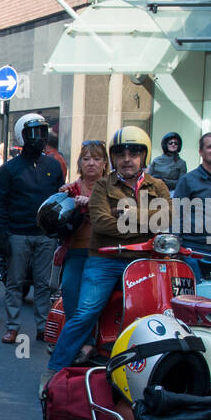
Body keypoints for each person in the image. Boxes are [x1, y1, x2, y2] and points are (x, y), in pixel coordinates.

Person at [43, 127, 171, 383]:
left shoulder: (158, 186)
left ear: (143, 156)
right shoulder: (103, 185)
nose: (127, 158)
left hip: (143, 260)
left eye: (134, 152)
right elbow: (101, 223)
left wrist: (124, 216)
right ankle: (54, 370)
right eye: (121, 153)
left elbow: (165, 219)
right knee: (85, 312)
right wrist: (144, 220)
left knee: (156, 310)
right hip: (105, 259)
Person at [0, 112, 65, 345]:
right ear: (22, 136)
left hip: (45, 235)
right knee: (15, 282)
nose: (40, 138)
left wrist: (59, 230)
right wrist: (3, 235)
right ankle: (12, 327)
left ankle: (43, 326)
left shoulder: (54, 166)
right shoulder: (9, 169)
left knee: (44, 284)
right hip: (17, 233)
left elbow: (59, 199)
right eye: (33, 133)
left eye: (43, 133)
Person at [50, 141, 107, 361]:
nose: (91, 163)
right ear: (80, 163)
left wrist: (91, 202)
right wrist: (64, 200)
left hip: (103, 254)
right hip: (76, 251)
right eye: (86, 158)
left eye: (96, 158)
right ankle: (85, 343)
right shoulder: (72, 188)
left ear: (104, 163)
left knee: (92, 303)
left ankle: (88, 344)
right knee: (71, 296)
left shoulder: (109, 188)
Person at [171, 132, 211, 277]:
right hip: (195, 253)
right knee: (196, 297)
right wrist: (176, 247)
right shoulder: (187, 180)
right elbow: (176, 216)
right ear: (201, 152)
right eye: (210, 147)